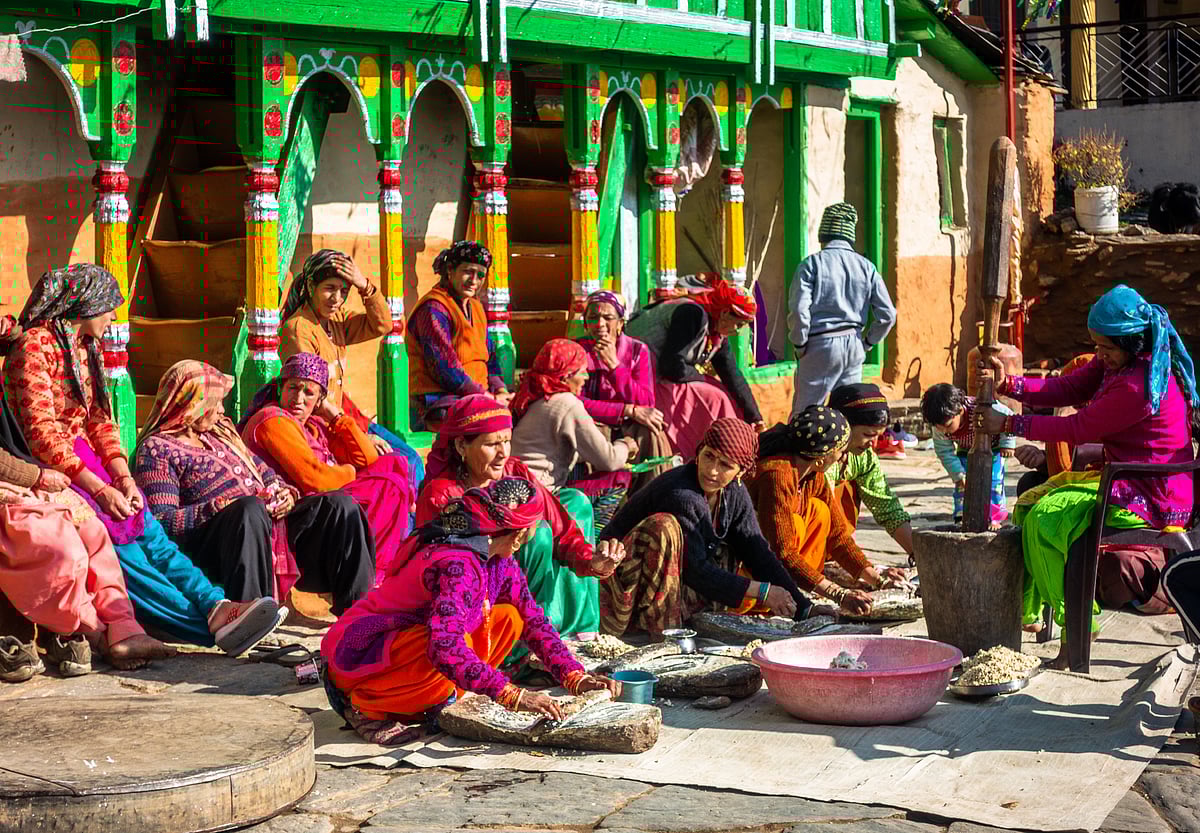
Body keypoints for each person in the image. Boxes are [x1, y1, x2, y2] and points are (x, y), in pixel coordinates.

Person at [3, 265, 282, 655]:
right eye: (108, 309)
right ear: (87, 305)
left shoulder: (84, 348)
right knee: (126, 551)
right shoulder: (35, 347)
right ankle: (198, 626)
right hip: (53, 469)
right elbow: (41, 434)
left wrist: (123, 478)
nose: (111, 318)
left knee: (151, 535)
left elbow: (100, 419)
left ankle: (217, 606)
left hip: (89, 460)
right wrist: (100, 492)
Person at [979, 284, 1197, 668]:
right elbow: (1067, 387)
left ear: (1131, 343)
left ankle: (1079, 625)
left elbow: (1078, 428)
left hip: (1150, 494)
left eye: (1105, 348)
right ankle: (1031, 614)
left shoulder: (1138, 385)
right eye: (1095, 345)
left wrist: (1010, 422)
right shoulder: (1119, 361)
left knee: (1046, 521)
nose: (1098, 355)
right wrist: (1009, 384)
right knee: (1028, 504)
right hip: (1121, 479)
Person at [322, 478, 622, 745]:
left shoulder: (497, 560)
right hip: (357, 658)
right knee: (441, 645)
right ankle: (368, 708)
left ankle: (426, 698)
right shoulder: (459, 565)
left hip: (394, 652)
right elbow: (444, 648)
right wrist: (512, 695)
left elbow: (533, 620)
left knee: (509, 618)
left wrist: (574, 675)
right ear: (518, 537)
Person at [134, 360, 376, 616]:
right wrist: (218, 507)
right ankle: (253, 615)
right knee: (248, 509)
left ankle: (358, 613)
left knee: (340, 506)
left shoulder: (221, 433)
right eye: (214, 403)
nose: (220, 410)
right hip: (220, 541)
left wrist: (286, 493)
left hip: (266, 522)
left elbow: (264, 473)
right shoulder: (157, 449)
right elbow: (161, 522)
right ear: (192, 405)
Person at [417, 394, 625, 642]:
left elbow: (561, 526)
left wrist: (593, 562)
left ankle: (574, 631)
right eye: (492, 444)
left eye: (506, 441)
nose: (502, 453)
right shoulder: (443, 494)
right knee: (539, 536)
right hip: (479, 600)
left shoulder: (514, 471)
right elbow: (438, 563)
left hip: (521, 587)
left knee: (573, 505)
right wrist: (495, 548)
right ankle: (526, 649)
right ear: (462, 446)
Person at [598, 418, 827, 637]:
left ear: (741, 472)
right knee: (664, 528)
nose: (712, 470)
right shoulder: (683, 493)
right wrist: (763, 592)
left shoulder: (734, 492)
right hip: (624, 584)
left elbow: (757, 552)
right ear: (699, 452)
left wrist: (803, 607)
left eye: (725, 464)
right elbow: (695, 569)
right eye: (709, 456)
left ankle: (691, 618)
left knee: (731, 543)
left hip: (682, 573)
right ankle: (661, 629)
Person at [0, 391, 172, 680]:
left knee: (93, 531)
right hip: (16, 482)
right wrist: (36, 478)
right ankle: (96, 633)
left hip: (21, 475)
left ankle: (123, 626)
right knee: (61, 549)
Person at [238, 353, 414, 581]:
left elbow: (368, 458)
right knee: (387, 485)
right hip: (300, 511)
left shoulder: (314, 425)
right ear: (281, 389)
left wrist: (334, 414)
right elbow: (316, 480)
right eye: (292, 388)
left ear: (320, 399)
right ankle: (372, 571)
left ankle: (373, 568)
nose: (298, 399)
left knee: (393, 464)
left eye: (309, 393)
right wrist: (349, 471)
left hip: (325, 502)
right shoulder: (273, 420)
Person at [279, 248, 426, 494]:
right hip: (324, 423)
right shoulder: (299, 329)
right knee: (402, 466)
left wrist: (364, 286)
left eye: (343, 291)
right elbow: (313, 397)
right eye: (330, 288)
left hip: (346, 415)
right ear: (311, 286)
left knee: (411, 460)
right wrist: (358, 437)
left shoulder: (335, 322)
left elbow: (383, 324)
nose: (336, 298)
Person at [747, 406, 907, 616]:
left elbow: (838, 535)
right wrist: (837, 594)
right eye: (841, 451)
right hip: (753, 571)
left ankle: (794, 593)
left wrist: (878, 580)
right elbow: (783, 552)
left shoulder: (814, 474)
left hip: (781, 567)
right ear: (822, 458)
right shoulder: (778, 475)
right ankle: (773, 601)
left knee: (820, 512)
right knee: (795, 523)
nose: (843, 457)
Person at [624, 276, 763, 460]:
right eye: (737, 323)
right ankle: (698, 454)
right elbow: (672, 366)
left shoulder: (717, 335)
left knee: (720, 390)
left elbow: (732, 376)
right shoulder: (692, 314)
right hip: (639, 375)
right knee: (715, 397)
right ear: (723, 313)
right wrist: (702, 378)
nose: (737, 330)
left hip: (661, 374)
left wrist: (755, 417)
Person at [510, 339, 636, 530]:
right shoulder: (567, 403)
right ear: (565, 375)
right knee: (619, 475)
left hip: (518, 488)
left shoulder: (533, 397)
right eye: (581, 371)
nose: (586, 377)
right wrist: (626, 445)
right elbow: (609, 459)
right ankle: (594, 539)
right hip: (539, 495)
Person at [787, 203, 896, 413]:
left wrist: (800, 344)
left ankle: (803, 446)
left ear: (823, 235)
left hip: (819, 343)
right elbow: (888, 315)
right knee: (848, 412)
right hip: (854, 343)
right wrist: (867, 343)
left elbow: (800, 311)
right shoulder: (867, 267)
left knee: (806, 413)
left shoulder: (812, 264)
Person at [406, 241, 512, 431]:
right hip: (439, 400)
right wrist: (488, 398)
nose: (474, 280)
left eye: (480, 275)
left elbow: (490, 359)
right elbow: (445, 369)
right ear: (450, 270)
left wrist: (501, 391)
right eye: (468, 272)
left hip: (477, 395)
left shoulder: (477, 308)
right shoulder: (433, 308)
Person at [575, 290, 672, 490]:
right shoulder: (576, 351)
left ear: (620, 324)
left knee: (651, 429)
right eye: (593, 318)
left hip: (628, 426)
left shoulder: (637, 350)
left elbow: (646, 402)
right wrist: (626, 410)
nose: (600, 324)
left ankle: (652, 499)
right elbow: (575, 402)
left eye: (608, 318)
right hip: (591, 424)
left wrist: (614, 367)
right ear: (585, 324)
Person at [826, 384, 915, 561]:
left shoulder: (863, 457)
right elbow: (827, 514)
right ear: (844, 425)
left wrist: (919, 555)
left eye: (878, 436)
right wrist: (861, 568)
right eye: (867, 434)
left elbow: (887, 508)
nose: (872, 444)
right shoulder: (821, 457)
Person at [921, 383, 1015, 525]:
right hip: (966, 451)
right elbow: (944, 452)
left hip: (993, 450)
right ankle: (962, 515)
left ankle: (994, 517)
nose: (944, 431)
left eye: (948, 425)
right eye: (938, 427)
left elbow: (1007, 416)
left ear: (959, 410)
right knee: (962, 486)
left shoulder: (981, 408)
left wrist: (1007, 443)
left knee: (994, 484)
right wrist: (958, 475)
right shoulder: (940, 426)